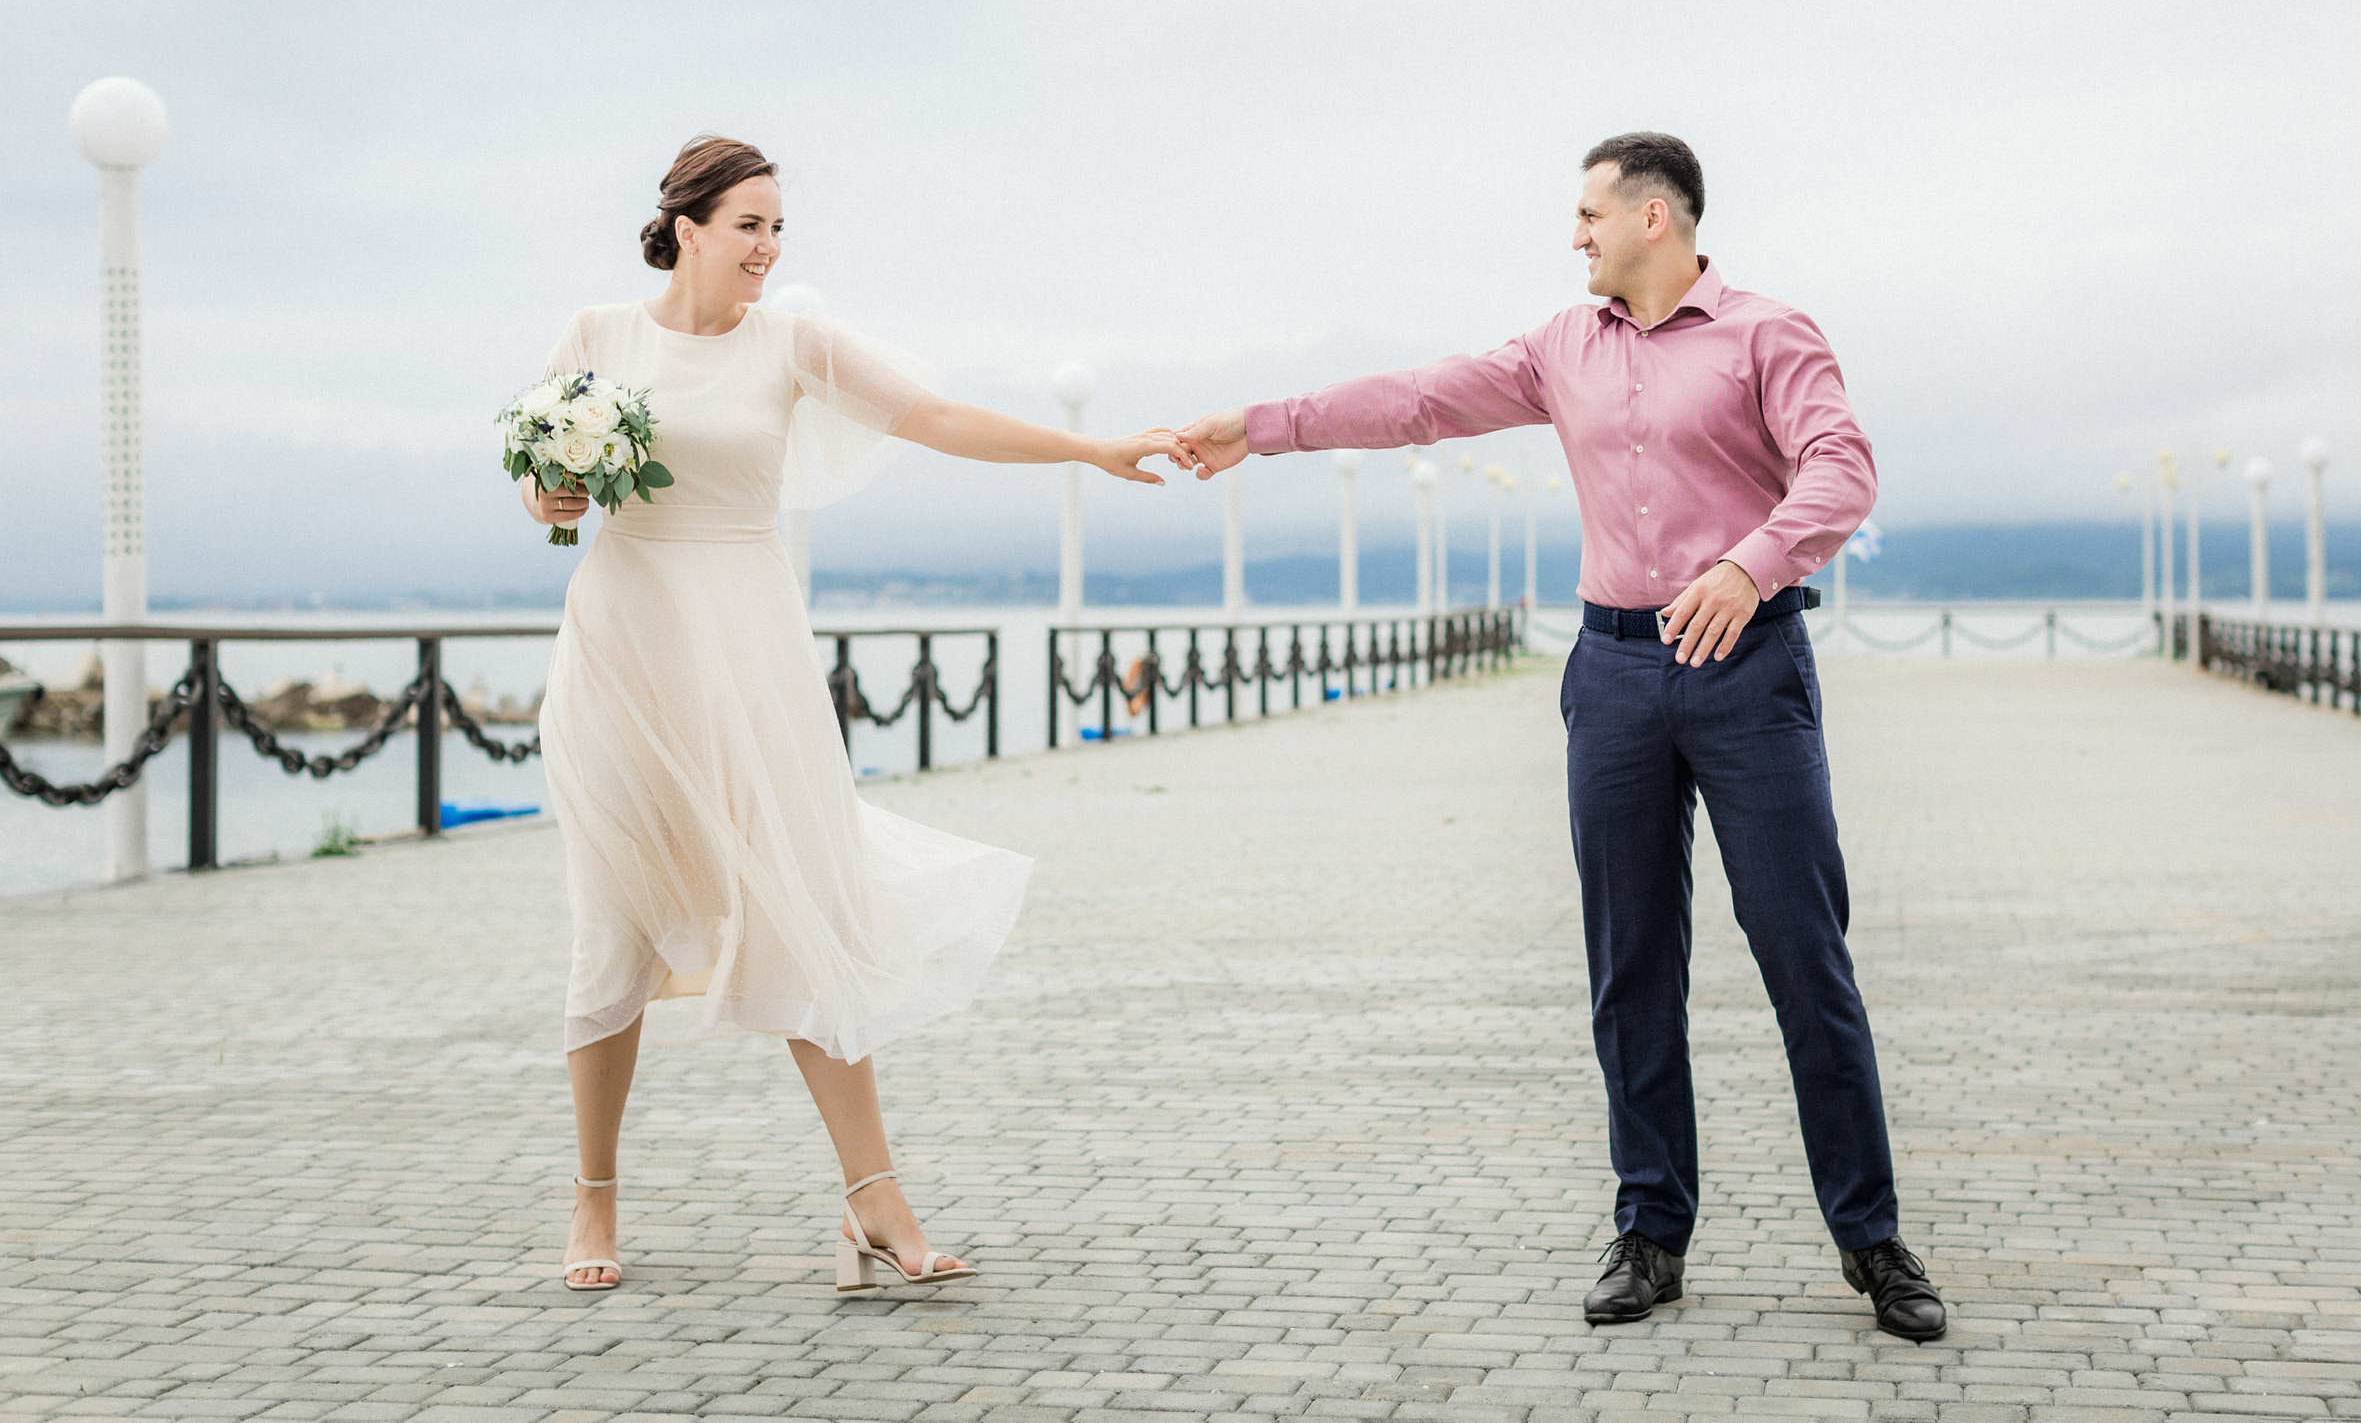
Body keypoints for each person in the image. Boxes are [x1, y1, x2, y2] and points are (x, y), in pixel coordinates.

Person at [1167, 132, 1945, 1339]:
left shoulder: (1767, 335)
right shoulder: (1558, 348)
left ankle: (1872, 1240)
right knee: (1629, 965)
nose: (1573, 236)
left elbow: (1840, 470)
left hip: (1750, 669)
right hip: (1617, 672)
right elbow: (1416, 400)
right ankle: (1650, 1233)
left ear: (1653, 218)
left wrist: (1748, 566)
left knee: (1804, 956)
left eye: (1588, 214)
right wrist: (1260, 425)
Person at [530, 135, 1178, 1294]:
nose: (768, 250)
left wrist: (1090, 447)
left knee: (803, 896)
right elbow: (543, 489)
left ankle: (873, 1204)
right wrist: (554, 491)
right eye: (749, 227)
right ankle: (592, 1204)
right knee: (612, 921)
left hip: (749, 642)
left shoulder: (794, 342)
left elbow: (935, 417)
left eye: (779, 229)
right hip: (624, 649)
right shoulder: (596, 336)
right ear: (686, 227)